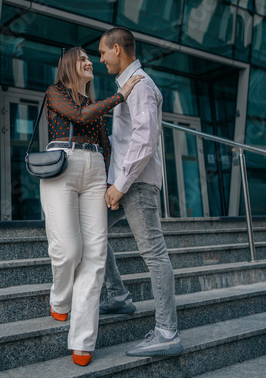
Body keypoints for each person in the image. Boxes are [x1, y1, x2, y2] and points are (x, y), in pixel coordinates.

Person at [40, 47, 142, 366]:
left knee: (96, 255)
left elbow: (106, 145)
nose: (89, 62)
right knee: (69, 250)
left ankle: (83, 340)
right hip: (62, 165)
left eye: (90, 58)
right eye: (83, 58)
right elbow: (79, 116)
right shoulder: (55, 92)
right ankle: (60, 298)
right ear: (70, 65)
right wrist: (121, 94)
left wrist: (114, 182)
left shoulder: (92, 103)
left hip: (95, 168)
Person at [98, 27, 183, 357]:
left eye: (103, 52)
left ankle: (167, 333)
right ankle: (117, 295)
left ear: (117, 49)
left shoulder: (142, 86)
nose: (100, 58)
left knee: (154, 253)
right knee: (92, 230)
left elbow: (144, 140)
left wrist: (119, 185)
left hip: (137, 184)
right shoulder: (127, 86)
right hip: (124, 183)